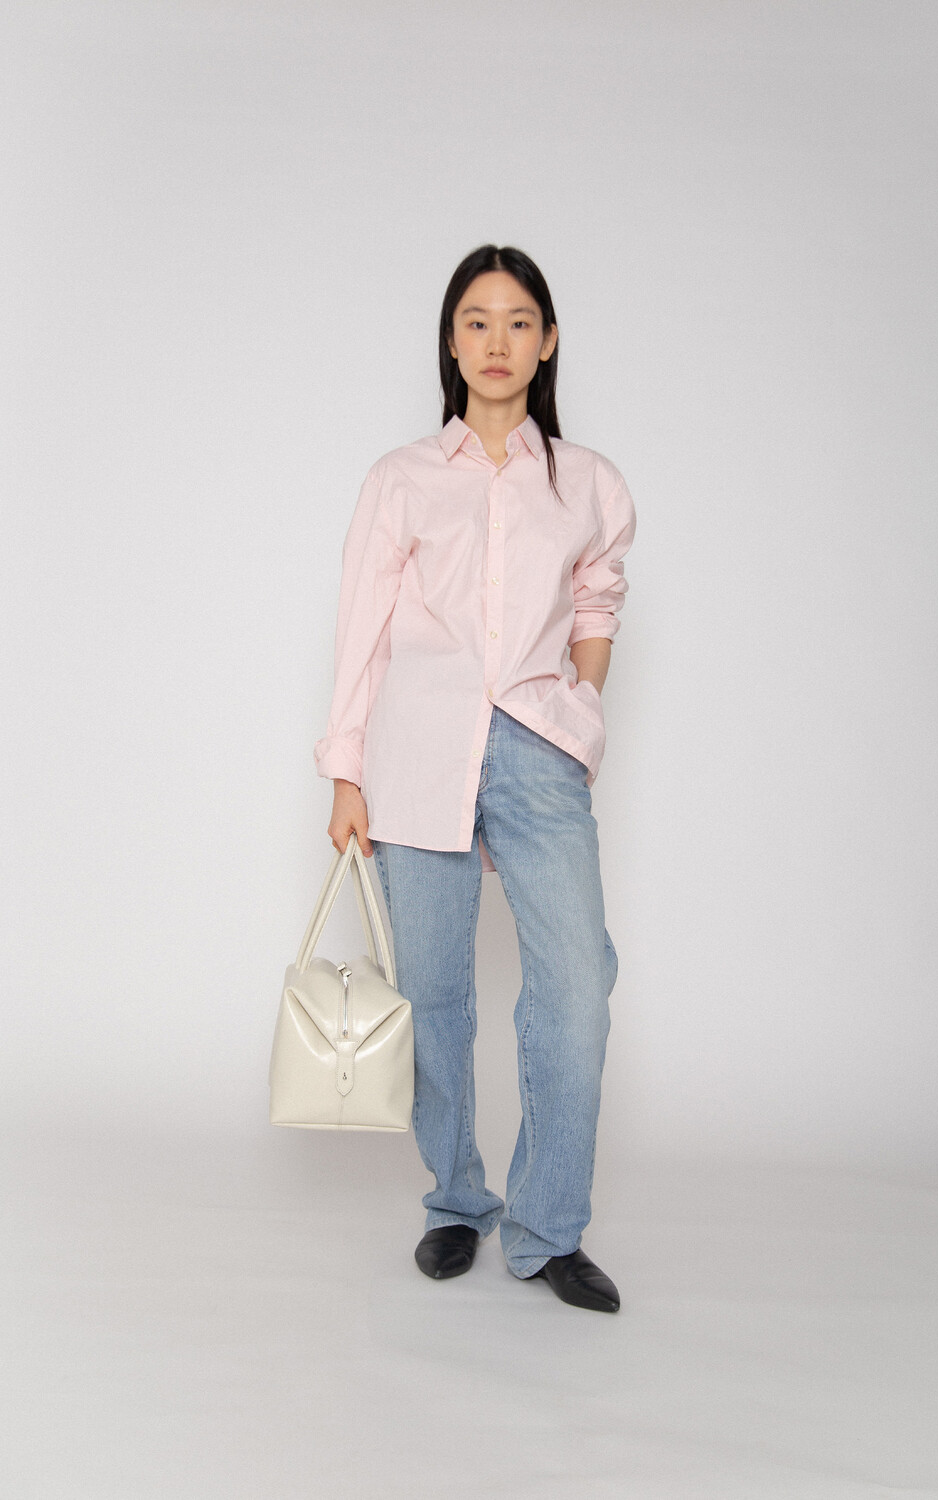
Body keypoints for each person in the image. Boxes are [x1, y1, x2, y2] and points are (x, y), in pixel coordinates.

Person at [314, 244, 637, 1313]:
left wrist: (579, 713)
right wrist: (345, 770)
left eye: (518, 321)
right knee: (434, 995)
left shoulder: (587, 482)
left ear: (548, 342)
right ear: (451, 343)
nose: (497, 342)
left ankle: (548, 1230)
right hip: (416, 749)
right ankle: (457, 1201)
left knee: (576, 987)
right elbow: (362, 627)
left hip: (538, 747)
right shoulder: (401, 478)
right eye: (476, 321)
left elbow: (598, 600)